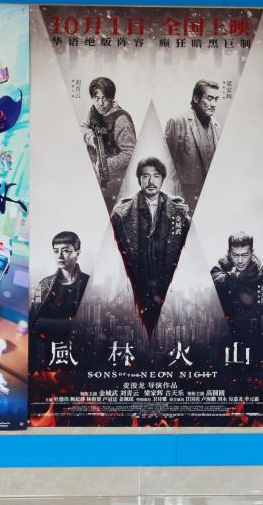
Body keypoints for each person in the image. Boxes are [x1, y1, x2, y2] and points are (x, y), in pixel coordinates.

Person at [111, 157, 190, 333]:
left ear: (162, 179)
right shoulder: (122, 213)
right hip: (139, 280)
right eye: (145, 176)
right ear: (139, 179)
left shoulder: (179, 212)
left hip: (165, 280)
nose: (151, 181)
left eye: (156, 176)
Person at [210, 232, 263, 347]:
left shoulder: (261, 274)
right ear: (229, 253)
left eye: (245, 255)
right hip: (229, 337)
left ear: (252, 253)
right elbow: (216, 279)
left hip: (255, 337)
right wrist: (233, 277)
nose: (240, 260)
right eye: (235, 255)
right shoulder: (222, 268)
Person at [80, 77, 137, 209]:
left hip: (116, 180)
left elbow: (131, 153)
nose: (100, 103)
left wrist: (105, 164)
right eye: (96, 98)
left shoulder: (121, 120)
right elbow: (83, 127)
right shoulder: (93, 110)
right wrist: (92, 138)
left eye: (104, 98)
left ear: (111, 98)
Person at [165, 79, 222, 210]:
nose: (213, 104)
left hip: (210, 199)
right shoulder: (177, 122)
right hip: (185, 199)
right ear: (196, 98)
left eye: (216, 99)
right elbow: (166, 166)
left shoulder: (216, 126)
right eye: (209, 98)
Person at [31, 231, 91, 334]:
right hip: (46, 340)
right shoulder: (44, 284)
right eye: (56, 251)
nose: (59, 256)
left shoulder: (88, 282)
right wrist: (69, 323)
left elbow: (90, 322)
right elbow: (33, 318)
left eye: (66, 251)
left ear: (77, 253)